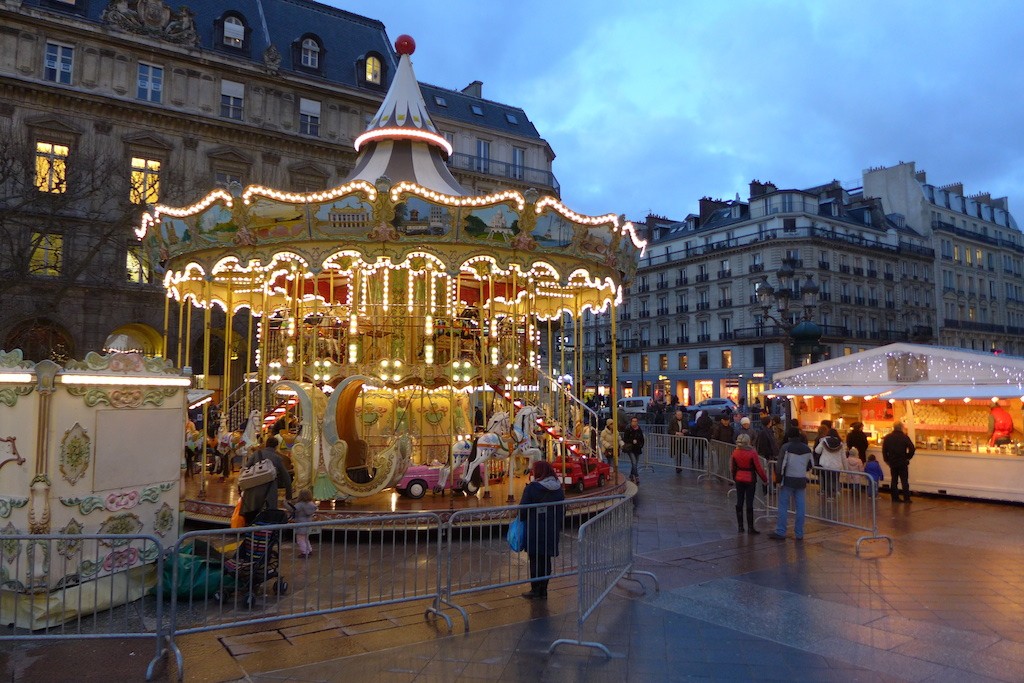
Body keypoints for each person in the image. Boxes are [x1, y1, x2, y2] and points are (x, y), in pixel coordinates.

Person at [517, 460, 565, 599]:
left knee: (535, 559)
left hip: (535, 528)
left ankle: (535, 589)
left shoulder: (532, 488)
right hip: (551, 528)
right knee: (546, 559)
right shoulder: (557, 488)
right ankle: (543, 589)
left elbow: (523, 510)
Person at [771, 427, 813, 541]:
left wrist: (778, 479)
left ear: (789, 436)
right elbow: (810, 465)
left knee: (783, 505)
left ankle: (781, 531)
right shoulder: (807, 449)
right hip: (801, 480)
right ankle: (799, 533)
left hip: (788, 479)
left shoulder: (786, 447)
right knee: (800, 507)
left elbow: (780, 465)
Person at [241, 435, 293, 524]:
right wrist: (288, 496)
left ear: (266, 444)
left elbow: (245, 468)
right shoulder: (277, 458)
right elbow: (286, 477)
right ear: (276, 446)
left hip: (252, 490)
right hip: (269, 492)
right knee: (267, 519)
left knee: (251, 517)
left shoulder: (256, 454)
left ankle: (250, 534)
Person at [731, 433, 767, 534]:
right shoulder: (752, 453)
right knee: (749, 502)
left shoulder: (735, 452)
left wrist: (734, 477)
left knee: (739, 501)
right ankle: (750, 527)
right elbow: (758, 467)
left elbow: (732, 467)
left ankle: (740, 526)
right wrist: (764, 479)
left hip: (739, 477)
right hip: (750, 478)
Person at [882, 422, 915, 503]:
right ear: (901, 428)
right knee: (904, 481)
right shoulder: (904, 437)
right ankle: (906, 498)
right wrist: (908, 457)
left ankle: (895, 498)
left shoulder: (888, 437)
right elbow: (912, 448)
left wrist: (887, 460)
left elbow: (884, 450)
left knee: (894, 480)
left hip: (892, 462)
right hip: (902, 462)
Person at [814, 430, 845, 501]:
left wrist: (821, 443)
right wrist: (846, 468)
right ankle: (835, 493)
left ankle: (829, 495)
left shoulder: (824, 441)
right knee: (835, 479)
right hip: (836, 465)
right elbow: (843, 457)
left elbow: (817, 450)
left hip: (826, 464)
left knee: (827, 479)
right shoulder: (840, 444)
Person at [289, 488, 317, 557]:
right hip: (308, 522)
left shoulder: (299, 505)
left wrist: (286, 504)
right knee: (306, 538)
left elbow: (292, 510)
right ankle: (309, 550)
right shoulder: (311, 504)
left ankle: (304, 552)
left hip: (300, 523)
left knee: (300, 539)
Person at [622, 416, 645, 483]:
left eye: (636, 421)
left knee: (635, 463)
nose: (634, 423)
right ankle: (637, 476)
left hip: (637, 448)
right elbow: (625, 439)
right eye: (633, 421)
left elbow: (642, 439)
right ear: (631, 422)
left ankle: (631, 475)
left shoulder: (639, 430)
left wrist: (640, 445)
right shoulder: (628, 429)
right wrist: (632, 441)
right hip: (630, 448)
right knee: (634, 462)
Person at [668, 409, 687, 473]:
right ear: (676, 415)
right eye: (678, 415)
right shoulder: (672, 421)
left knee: (680, 453)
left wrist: (685, 431)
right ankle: (677, 466)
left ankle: (679, 465)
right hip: (675, 439)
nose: (680, 416)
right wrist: (676, 433)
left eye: (681, 415)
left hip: (682, 440)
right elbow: (669, 430)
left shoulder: (684, 421)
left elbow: (688, 428)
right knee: (677, 453)